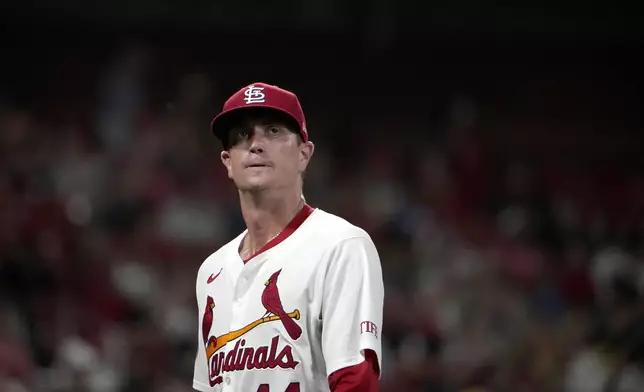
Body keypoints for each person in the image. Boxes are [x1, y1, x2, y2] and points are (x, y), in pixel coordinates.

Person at [192, 82, 384, 392]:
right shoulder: (210, 272)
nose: (256, 144)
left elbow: (356, 380)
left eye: (273, 131)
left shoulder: (341, 246)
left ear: (304, 154)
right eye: (242, 135)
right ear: (228, 161)